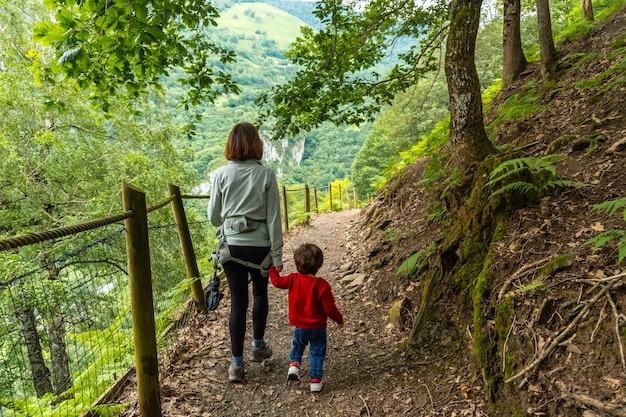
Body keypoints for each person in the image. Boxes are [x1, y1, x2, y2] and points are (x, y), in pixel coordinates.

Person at [208, 122, 284, 383]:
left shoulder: (220, 175)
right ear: (256, 145)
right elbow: (274, 217)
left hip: (231, 246)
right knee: (260, 294)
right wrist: (277, 255)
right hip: (261, 246)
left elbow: (214, 218)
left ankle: (236, 366)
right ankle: (258, 347)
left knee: (238, 304)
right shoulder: (266, 175)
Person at [269, 243, 344, 392]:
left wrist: (272, 268)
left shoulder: (293, 279)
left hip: (300, 326)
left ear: (297, 264)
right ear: (319, 265)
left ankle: (294, 366)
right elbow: (329, 308)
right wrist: (339, 319)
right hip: (318, 328)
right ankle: (315, 381)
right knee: (317, 352)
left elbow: (277, 282)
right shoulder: (322, 285)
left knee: (298, 345)